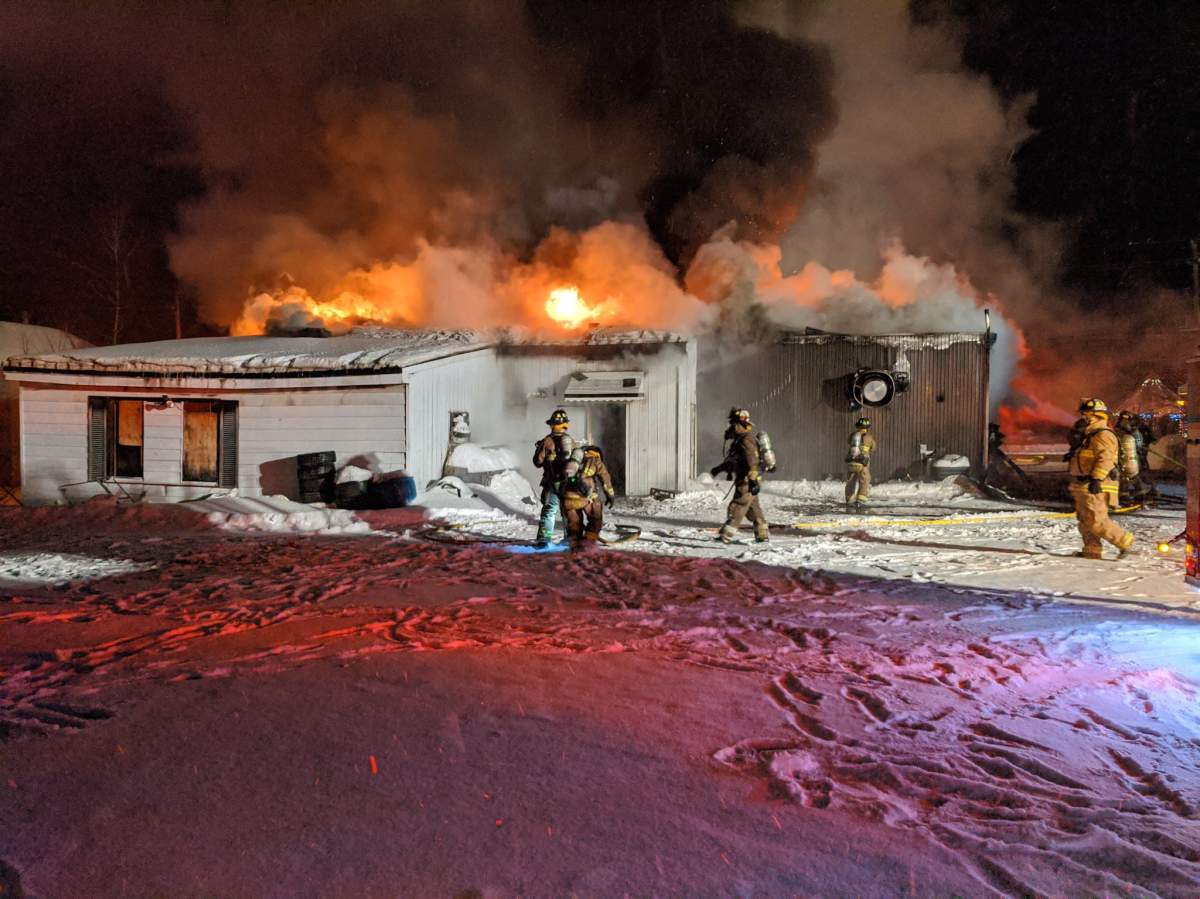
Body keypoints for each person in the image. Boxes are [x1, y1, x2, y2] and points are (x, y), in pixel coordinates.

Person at [1068, 398, 1134, 560]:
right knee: (1085, 521)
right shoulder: (1089, 436)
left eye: (1086, 415)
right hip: (1084, 483)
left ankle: (1125, 542)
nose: (1083, 418)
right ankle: (1092, 550)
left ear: (1097, 416)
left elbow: (1106, 459)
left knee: (1097, 521)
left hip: (1097, 484)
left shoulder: (1103, 435)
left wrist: (1097, 479)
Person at [710, 408, 769, 544]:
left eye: (732, 424)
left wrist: (753, 480)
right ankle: (762, 534)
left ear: (738, 425)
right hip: (748, 480)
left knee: (737, 506)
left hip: (747, 481)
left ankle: (726, 536)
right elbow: (734, 461)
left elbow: (752, 460)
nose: (730, 427)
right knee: (753, 509)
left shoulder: (746, 440)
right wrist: (720, 468)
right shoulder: (739, 441)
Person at [532, 409, 575, 547]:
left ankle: (545, 540)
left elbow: (537, 462)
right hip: (567, 484)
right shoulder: (571, 442)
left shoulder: (547, 441)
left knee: (550, 511)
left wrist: (540, 449)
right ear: (565, 425)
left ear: (551, 425)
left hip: (551, 483)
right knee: (567, 512)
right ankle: (570, 540)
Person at [560, 444, 616, 548]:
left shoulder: (572, 462)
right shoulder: (595, 461)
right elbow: (605, 479)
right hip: (586, 498)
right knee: (595, 520)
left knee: (574, 525)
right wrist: (610, 495)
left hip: (568, 498)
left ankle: (574, 546)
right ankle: (588, 544)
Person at [845, 417, 875, 511]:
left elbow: (848, 442)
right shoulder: (869, 437)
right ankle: (860, 500)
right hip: (863, 464)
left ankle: (849, 500)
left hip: (851, 462)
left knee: (850, 480)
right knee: (864, 480)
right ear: (867, 428)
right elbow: (873, 448)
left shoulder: (852, 436)